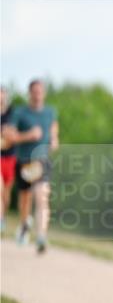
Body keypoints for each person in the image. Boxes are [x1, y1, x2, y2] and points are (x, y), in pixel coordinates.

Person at [10, 80, 59, 253]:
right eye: (34, 92)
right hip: (24, 161)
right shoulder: (20, 112)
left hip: (42, 160)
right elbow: (10, 137)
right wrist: (28, 136)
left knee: (41, 197)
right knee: (25, 199)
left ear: (44, 93)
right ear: (30, 93)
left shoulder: (50, 112)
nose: (37, 95)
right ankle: (25, 223)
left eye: (40, 91)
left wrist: (54, 140)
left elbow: (54, 131)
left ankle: (41, 237)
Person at [1, 86, 20, 233]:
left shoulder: (13, 114)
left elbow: (13, 136)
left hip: (10, 157)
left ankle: (3, 216)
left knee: (6, 194)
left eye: (2, 96)